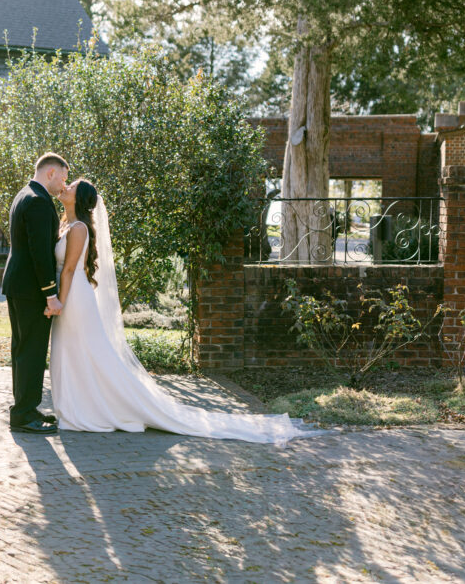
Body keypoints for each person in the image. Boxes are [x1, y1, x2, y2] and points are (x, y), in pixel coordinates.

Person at [48, 178, 324, 445]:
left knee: (85, 352)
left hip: (75, 298)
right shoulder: (67, 224)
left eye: (71, 186)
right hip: (71, 294)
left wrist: (58, 301)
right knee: (75, 351)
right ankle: (78, 407)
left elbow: (70, 269)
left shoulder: (79, 228)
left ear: (80, 199)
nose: (65, 186)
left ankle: (90, 410)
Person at [2, 153, 68, 434]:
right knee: (31, 350)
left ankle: (25, 408)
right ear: (51, 172)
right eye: (63, 178)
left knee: (22, 348)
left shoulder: (23, 194)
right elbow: (41, 254)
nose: (63, 185)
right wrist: (50, 294)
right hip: (31, 289)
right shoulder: (40, 202)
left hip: (17, 285)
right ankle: (23, 415)